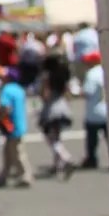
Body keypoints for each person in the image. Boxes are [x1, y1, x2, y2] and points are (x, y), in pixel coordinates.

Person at [0, 72, 32, 188]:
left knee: (17, 152)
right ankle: (3, 175)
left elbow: (6, 107)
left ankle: (26, 175)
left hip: (11, 126)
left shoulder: (7, 90)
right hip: (20, 123)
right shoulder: (19, 89)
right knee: (8, 152)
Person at [38, 46, 76, 179]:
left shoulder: (47, 75)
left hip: (52, 107)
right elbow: (68, 93)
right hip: (63, 106)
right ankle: (57, 165)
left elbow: (45, 94)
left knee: (50, 137)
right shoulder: (63, 74)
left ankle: (65, 157)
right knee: (57, 135)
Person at [80, 51, 109, 169]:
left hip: (95, 111)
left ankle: (91, 159)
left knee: (92, 139)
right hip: (106, 109)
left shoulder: (92, 74)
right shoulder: (105, 70)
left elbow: (88, 92)